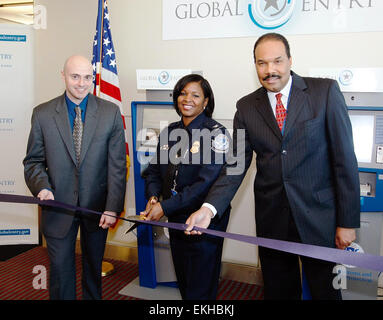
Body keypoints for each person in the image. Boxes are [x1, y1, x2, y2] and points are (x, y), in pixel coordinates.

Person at [185, 33, 360, 300]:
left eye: (277, 61)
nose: (270, 70)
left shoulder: (324, 93)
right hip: (272, 221)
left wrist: (347, 222)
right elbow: (235, 165)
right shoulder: (245, 107)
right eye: (262, 63)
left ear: (290, 60)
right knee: (279, 292)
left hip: (320, 219)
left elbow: (345, 160)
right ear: (255, 65)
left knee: (326, 292)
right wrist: (209, 209)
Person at [23, 55, 127, 300]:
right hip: (58, 207)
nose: (82, 83)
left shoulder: (110, 113)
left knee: (93, 270)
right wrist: (43, 188)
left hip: (97, 208)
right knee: (60, 271)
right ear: (63, 76)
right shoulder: (43, 114)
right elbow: (33, 162)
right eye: (75, 76)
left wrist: (113, 208)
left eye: (88, 77)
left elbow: (117, 166)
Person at [141, 74, 231, 300]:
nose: (187, 99)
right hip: (175, 216)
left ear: (206, 101)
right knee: (184, 280)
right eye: (182, 93)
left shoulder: (217, 134)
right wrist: (154, 198)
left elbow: (205, 183)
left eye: (195, 95)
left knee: (201, 285)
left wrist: (165, 207)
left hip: (203, 220)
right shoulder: (170, 131)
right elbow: (153, 171)